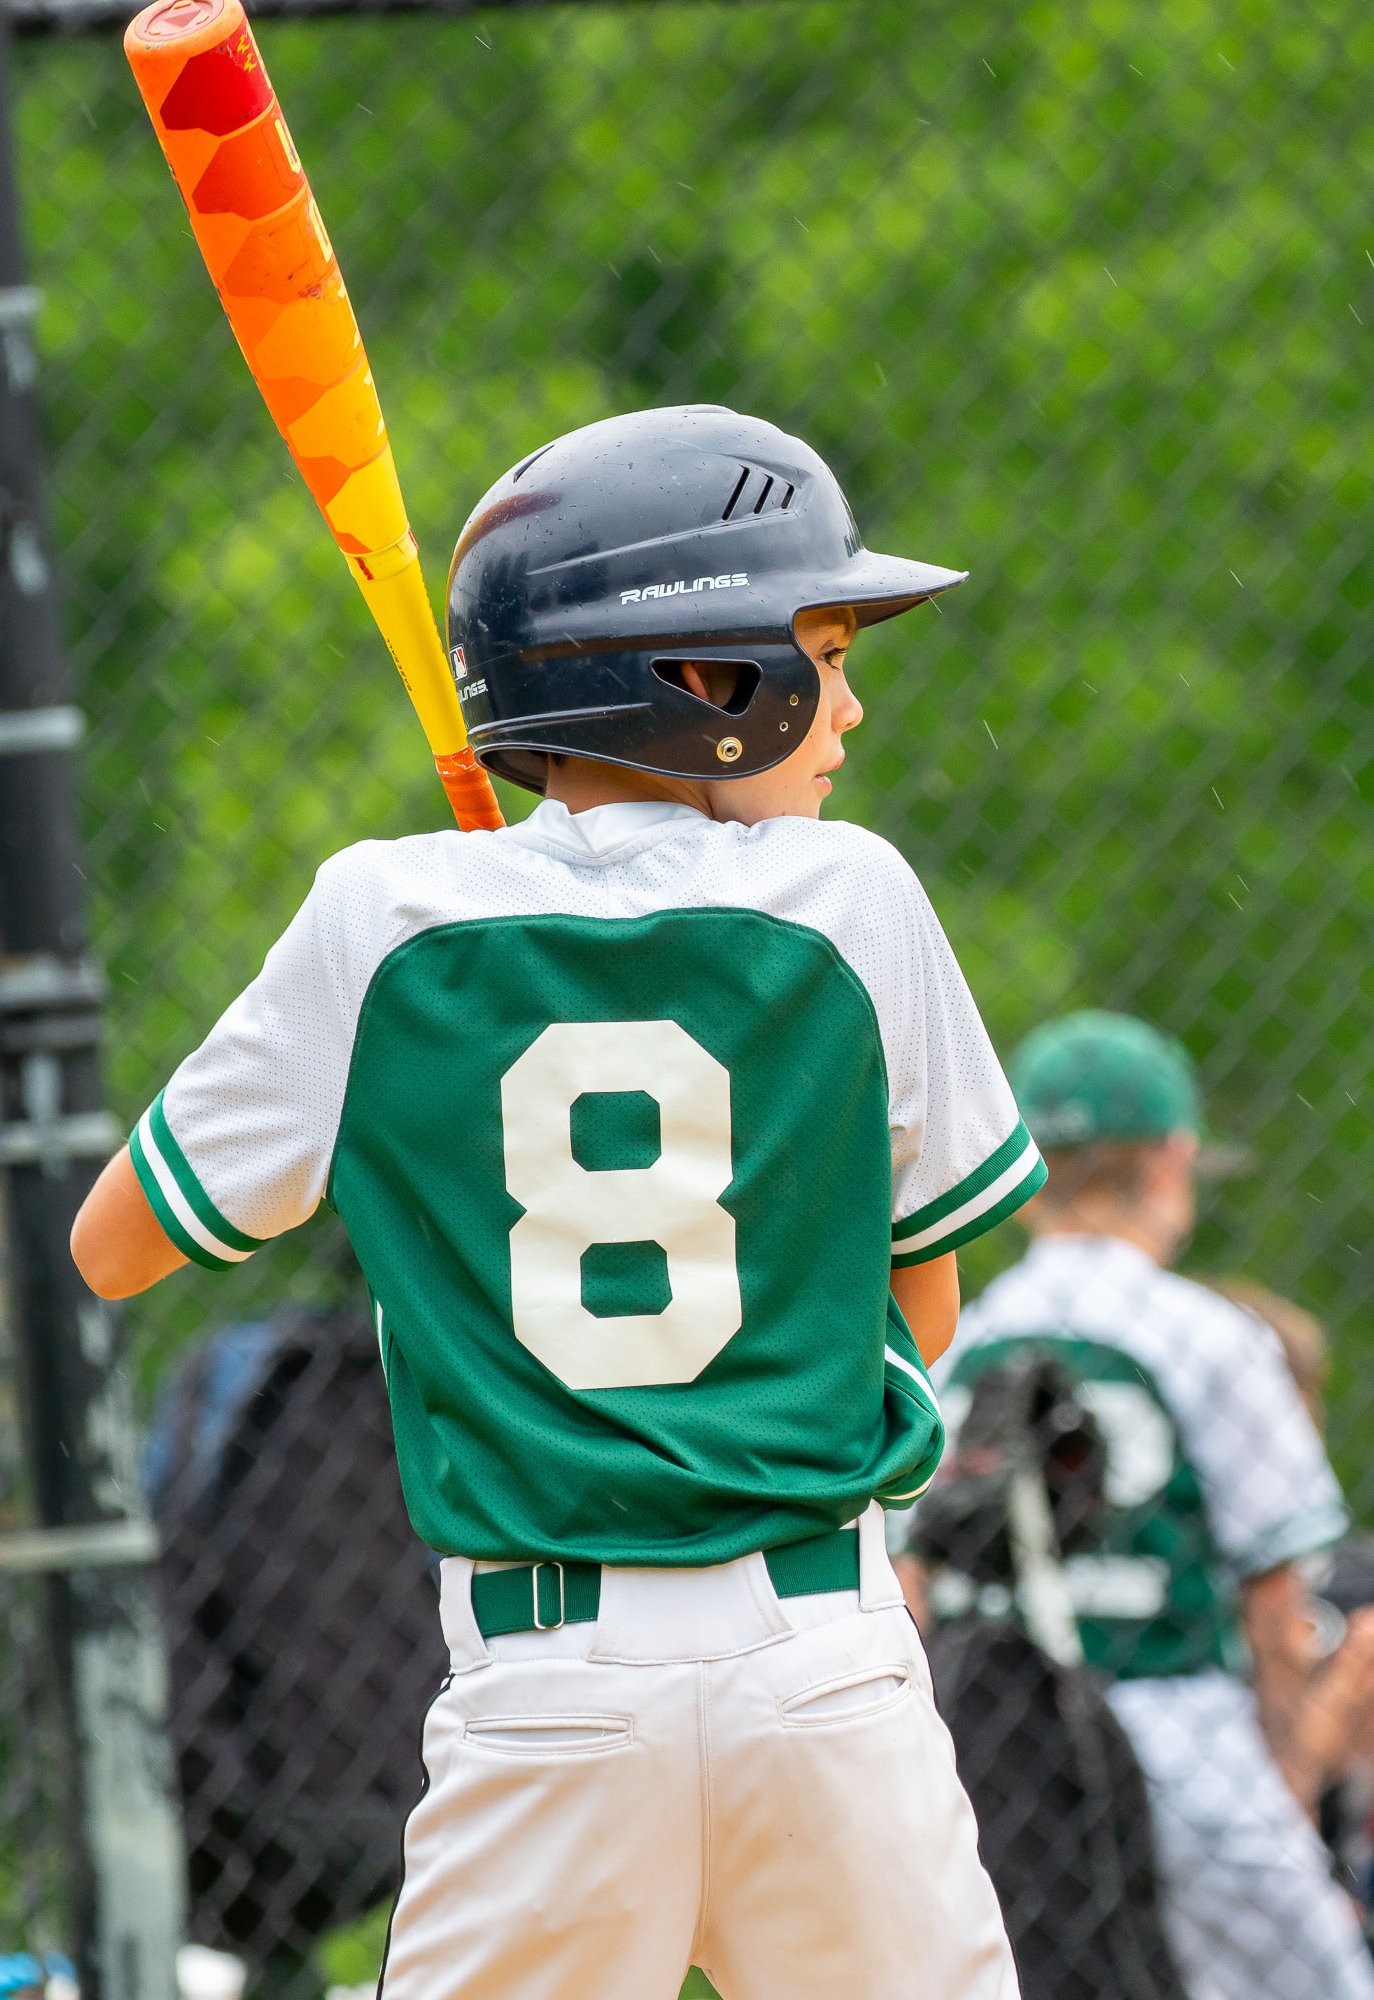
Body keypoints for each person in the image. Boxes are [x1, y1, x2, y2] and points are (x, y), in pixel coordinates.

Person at [72, 404, 1047, 2000]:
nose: (850, 705)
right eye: (821, 646)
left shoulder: (380, 920)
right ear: (705, 682)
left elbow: (113, 1248)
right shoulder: (855, 897)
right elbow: (917, 1300)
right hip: (825, 1667)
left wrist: (403, 1105)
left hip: (548, 1703)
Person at [936, 1010, 1373, 2000]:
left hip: (995, 1748)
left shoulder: (965, 1337)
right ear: (1173, 1160)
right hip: (1177, 1728)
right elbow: (1274, 1594)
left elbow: (907, 1577)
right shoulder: (1213, 1335)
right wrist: (1285, 1785)